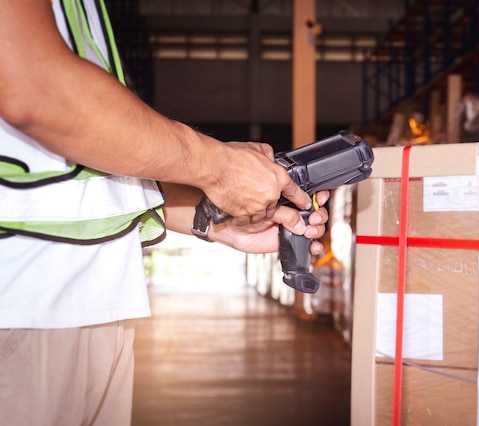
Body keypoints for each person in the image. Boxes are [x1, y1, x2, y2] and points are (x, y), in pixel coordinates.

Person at [0, 1, 329, 425]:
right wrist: (218, 165)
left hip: (93, 307)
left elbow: (86, 171)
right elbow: (32, 87)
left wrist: (213, 222)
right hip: (26, 301)